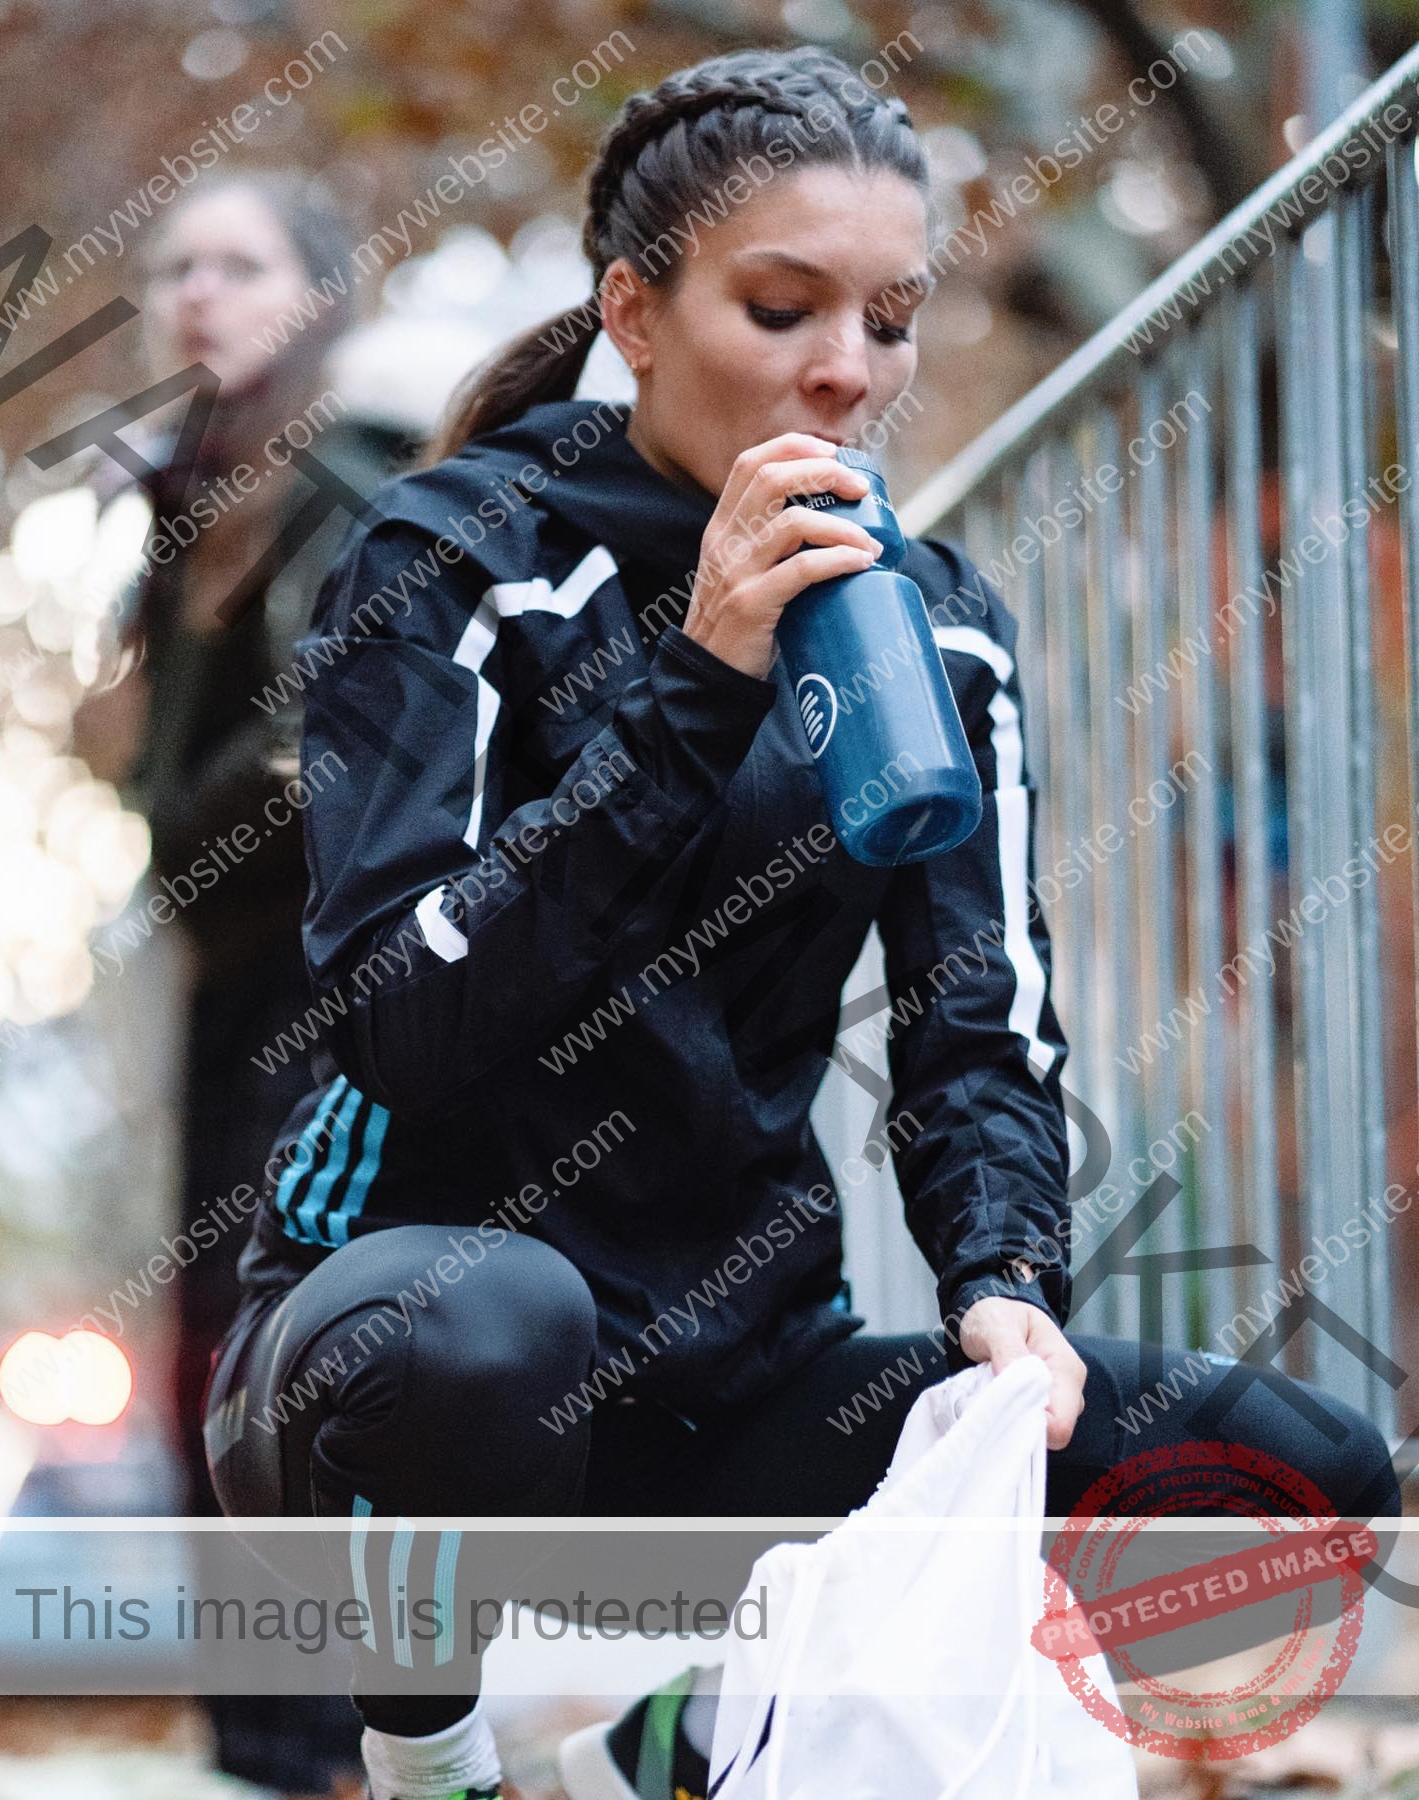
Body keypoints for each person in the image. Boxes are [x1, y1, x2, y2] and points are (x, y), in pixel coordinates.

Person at [201, 46, 1401, 1800]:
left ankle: (676, 1733)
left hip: (741, 1378)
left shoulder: (930, 623)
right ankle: (430, 1754)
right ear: (634, 308)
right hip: (404, 1370)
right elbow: (403, 1021)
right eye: (782, 309)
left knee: (1301, 1481)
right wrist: (699, 684)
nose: (849, 370)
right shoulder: (454, 556)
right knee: (483, 1324)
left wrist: (1005, 1286)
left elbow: (980, 1027)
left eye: (891, 320)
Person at [76, 168, 406, 1795]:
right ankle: (261, 1740)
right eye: (174, 267)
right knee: (210, 1334)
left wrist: (172, 817)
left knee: (295, 1330)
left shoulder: (360, 483)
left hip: (333, 977)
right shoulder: (182, 504)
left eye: (239, 264)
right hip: (227, 971)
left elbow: (324, 751)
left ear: (321, 295)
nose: (195, 293)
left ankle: (339, 1736)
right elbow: (143, 751)